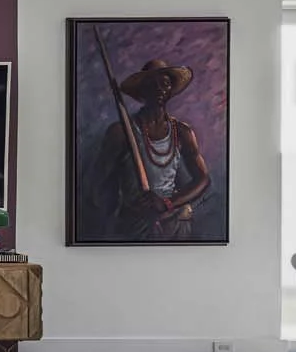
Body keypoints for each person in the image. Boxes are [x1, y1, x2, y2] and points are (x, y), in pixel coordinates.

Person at [83, 59, 213, 242]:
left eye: (165, 84)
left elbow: (203, 179)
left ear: (171, 90)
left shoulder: (182, 132)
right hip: (133, 226)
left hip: (174, 225)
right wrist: (119, 210)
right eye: (152, 84)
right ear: (142, 91)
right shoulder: (121, 132)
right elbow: (98, 184)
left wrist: (167, 203)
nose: (159, 89)